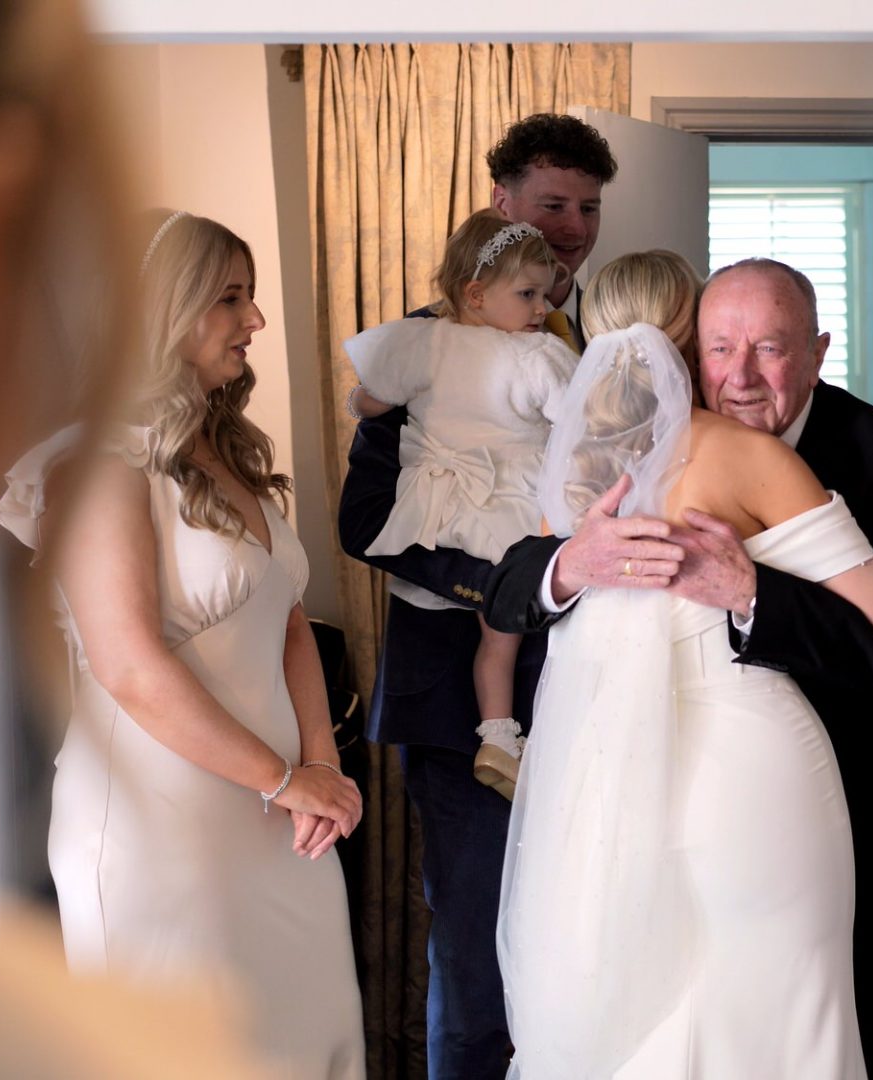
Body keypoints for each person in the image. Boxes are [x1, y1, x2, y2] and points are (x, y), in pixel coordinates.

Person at [485, 259, 873, 1075]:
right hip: (662, 807)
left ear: (818, 351)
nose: (740, 376)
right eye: (720, 349)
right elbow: (509, 591)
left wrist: (755, 598)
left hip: (867, 804)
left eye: (771, 350)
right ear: (687, 350)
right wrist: (573, 562)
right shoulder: (614, 446)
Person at [0, 211, 366, 1077]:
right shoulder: (97, 464)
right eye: (232, 298)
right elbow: (127, 665)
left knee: (304, 1038)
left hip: (282, 826)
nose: (256, 322)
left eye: (253, 298)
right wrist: (283, 777)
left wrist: (321, 764)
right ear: (167, 306)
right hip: (161, 832)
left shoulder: (226, 450)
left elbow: (290, 621)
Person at [334, 112, 616, 1077]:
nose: (574, 225)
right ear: (502, 205)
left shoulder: (595, 333)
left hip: (593, 687)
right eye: (552, 204)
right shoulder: (429, 346)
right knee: (479, 942)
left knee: (587, 935)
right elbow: (367, 518)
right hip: (458, 696)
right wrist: (502, 590)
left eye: (586, 206)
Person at [343, 211, 576, 799]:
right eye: (526, 295)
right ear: (476, 293)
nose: (537, 310)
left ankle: (500, 736)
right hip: (507, 511)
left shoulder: (422, 343)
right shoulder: (535, 356)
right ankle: (497, 737)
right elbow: (582, 422)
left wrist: (358, 398)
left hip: (440, 510)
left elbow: (371, 399)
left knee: (497, 636)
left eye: (542, 297)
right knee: (499, 634)